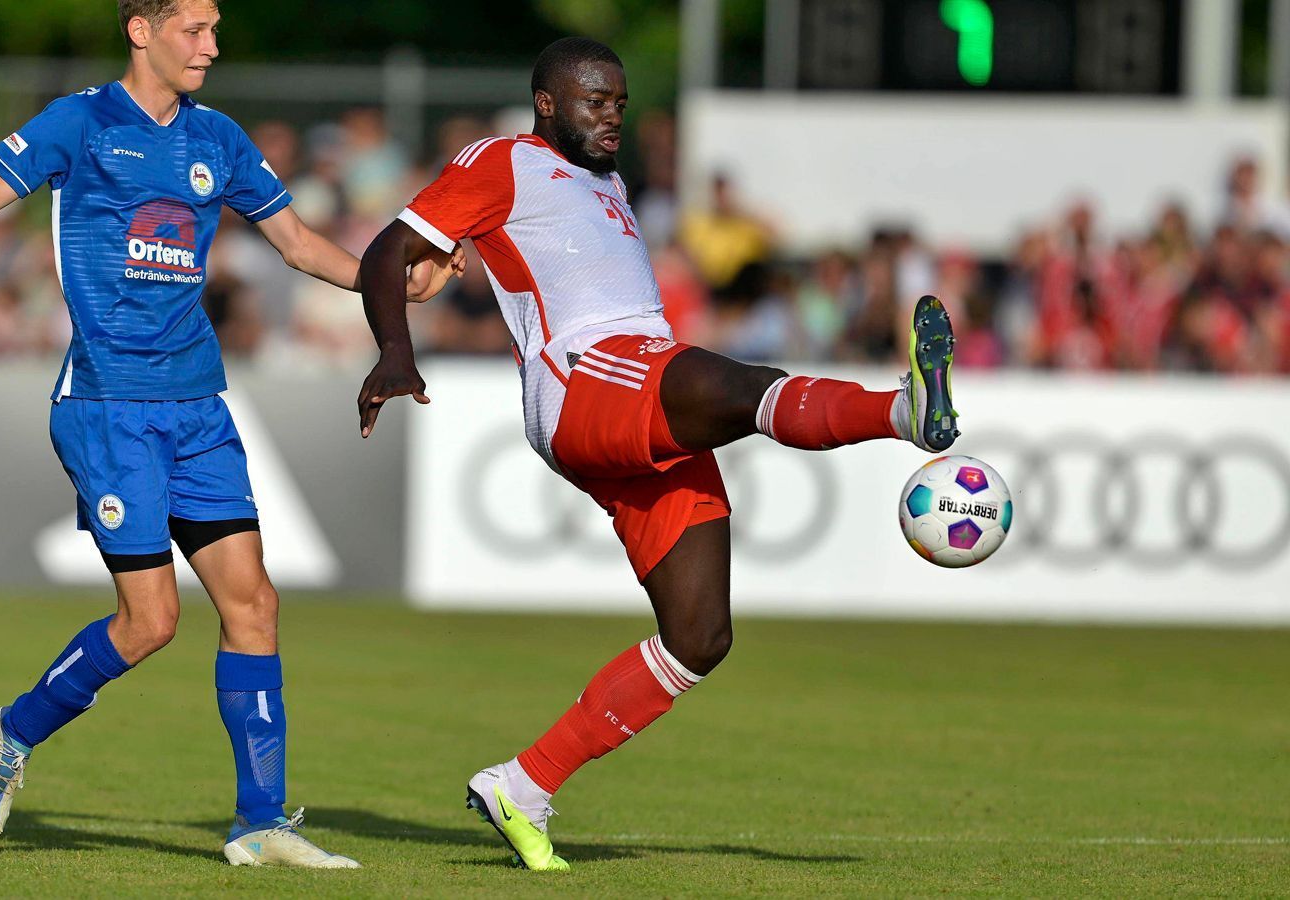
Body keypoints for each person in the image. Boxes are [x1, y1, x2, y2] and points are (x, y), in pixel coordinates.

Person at [0, 0, 458, 869]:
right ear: (140, 29)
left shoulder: (217, 137)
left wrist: (392, 286)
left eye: (216, 31)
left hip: (198, 403)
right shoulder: (82, 119)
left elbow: (295, 241)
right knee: (149, 623)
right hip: (107, 404)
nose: (211, 48)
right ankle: (15, 732)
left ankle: (259, 822)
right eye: (195, 28)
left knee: (254, 603)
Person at [355, 37, 959, 871]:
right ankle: (904, 410)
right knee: (743, 387)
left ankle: (522, 786)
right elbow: (389, 248)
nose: (611, 117)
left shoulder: (611, 183)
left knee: (700, 634)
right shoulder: (503, 160)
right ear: (546, 103)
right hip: (584, 378)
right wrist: (395, 349)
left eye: (619, 103)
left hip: (637, 383)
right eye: (593, 101)